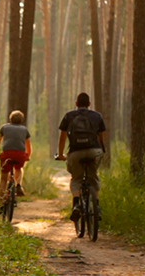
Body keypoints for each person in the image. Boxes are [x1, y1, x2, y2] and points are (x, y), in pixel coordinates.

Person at [56, 92, 106, 222]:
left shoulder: (69, 116)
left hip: (75, 152)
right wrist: (101, 151)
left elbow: (62, 138)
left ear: (76, 103)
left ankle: (77, 204)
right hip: (94, 151)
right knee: (93, 176)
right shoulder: (97, 116)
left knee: (76, 179)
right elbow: (101, 137)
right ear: (89, 104)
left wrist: (61, 154)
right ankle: (97, 207)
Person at [0, 110, 32, 209]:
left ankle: (1, 203)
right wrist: (28, 156)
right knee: (19, 169)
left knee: (3, 178)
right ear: (22, 120)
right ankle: (18, 184)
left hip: (7, 154)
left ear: (10, 119)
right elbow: (28, 146)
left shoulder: (4, 127)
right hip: (20, 155)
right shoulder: (25, 130)